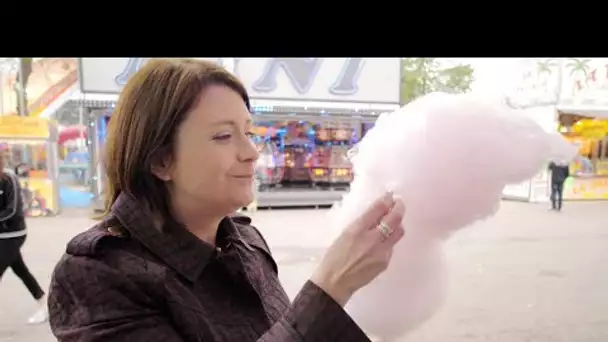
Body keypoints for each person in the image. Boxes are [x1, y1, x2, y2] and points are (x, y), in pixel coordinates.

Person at [47, 59, 406, 342]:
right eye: (223, 136)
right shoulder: (95, 274)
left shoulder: (246, 242)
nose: (251, 152)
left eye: (248, 133)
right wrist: (331, 286)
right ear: (160, 161)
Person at [0, 156, 48, 324]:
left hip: (13, 233)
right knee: (20, 269)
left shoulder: (9, 179)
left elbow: (13, 210)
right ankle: (43, 303)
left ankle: (44, 305)